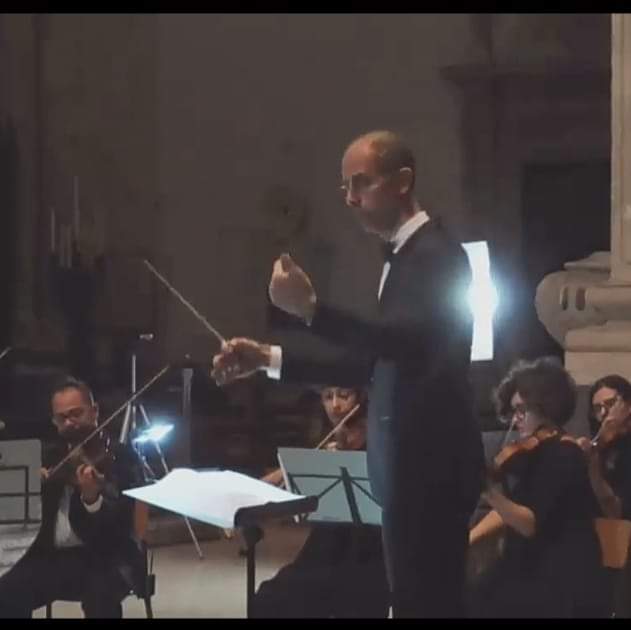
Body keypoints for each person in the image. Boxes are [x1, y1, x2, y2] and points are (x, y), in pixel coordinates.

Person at [212, 129, 484, 617]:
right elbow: (370, 364)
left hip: (432, 469)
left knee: (429, 606)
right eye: (345, 187)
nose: (351, 198)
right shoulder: (407, 257)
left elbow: (400, 341)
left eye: (362, 183)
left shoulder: (437, 254)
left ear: (403, 181)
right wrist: (267, 358)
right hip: (411, 471)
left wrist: (311, 310)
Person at [468, 358, 606, 618]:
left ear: (547, 406)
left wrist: (487, 490)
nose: (516, 419)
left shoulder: (565, 454)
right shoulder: (537, 453)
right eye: (514, 411)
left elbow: (529, 523)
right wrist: (469, 538)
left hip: (564, 578)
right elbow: (510, 509)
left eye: (522, 410)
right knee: (473, 594)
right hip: (535, 568)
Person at [0, 377, 145, 618]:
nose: (70, 423)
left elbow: (122, 528)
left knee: (101, 594)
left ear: (94, 411)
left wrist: (92, 500)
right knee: (6, 587)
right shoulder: (48, 456)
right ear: (54, 422)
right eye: (62, 418)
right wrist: (28, 487)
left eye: (77, 414)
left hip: (108, 557)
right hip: (52, 557)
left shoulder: (122, 457)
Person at [252, 385, 390, 618]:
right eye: (328, 397)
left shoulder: (380, 433)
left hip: (370, 549)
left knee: (357, 599)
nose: (335, 405)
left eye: (344, 395)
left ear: (361, 396)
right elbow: (290, 475)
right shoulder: (330, 436)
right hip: (327, 547)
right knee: (269, 599)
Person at [577, 374, 631, 520]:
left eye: (610, 403)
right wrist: (598, 444)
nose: (603, 413)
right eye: (597, 408)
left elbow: (616, 510)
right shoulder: (601, 445)